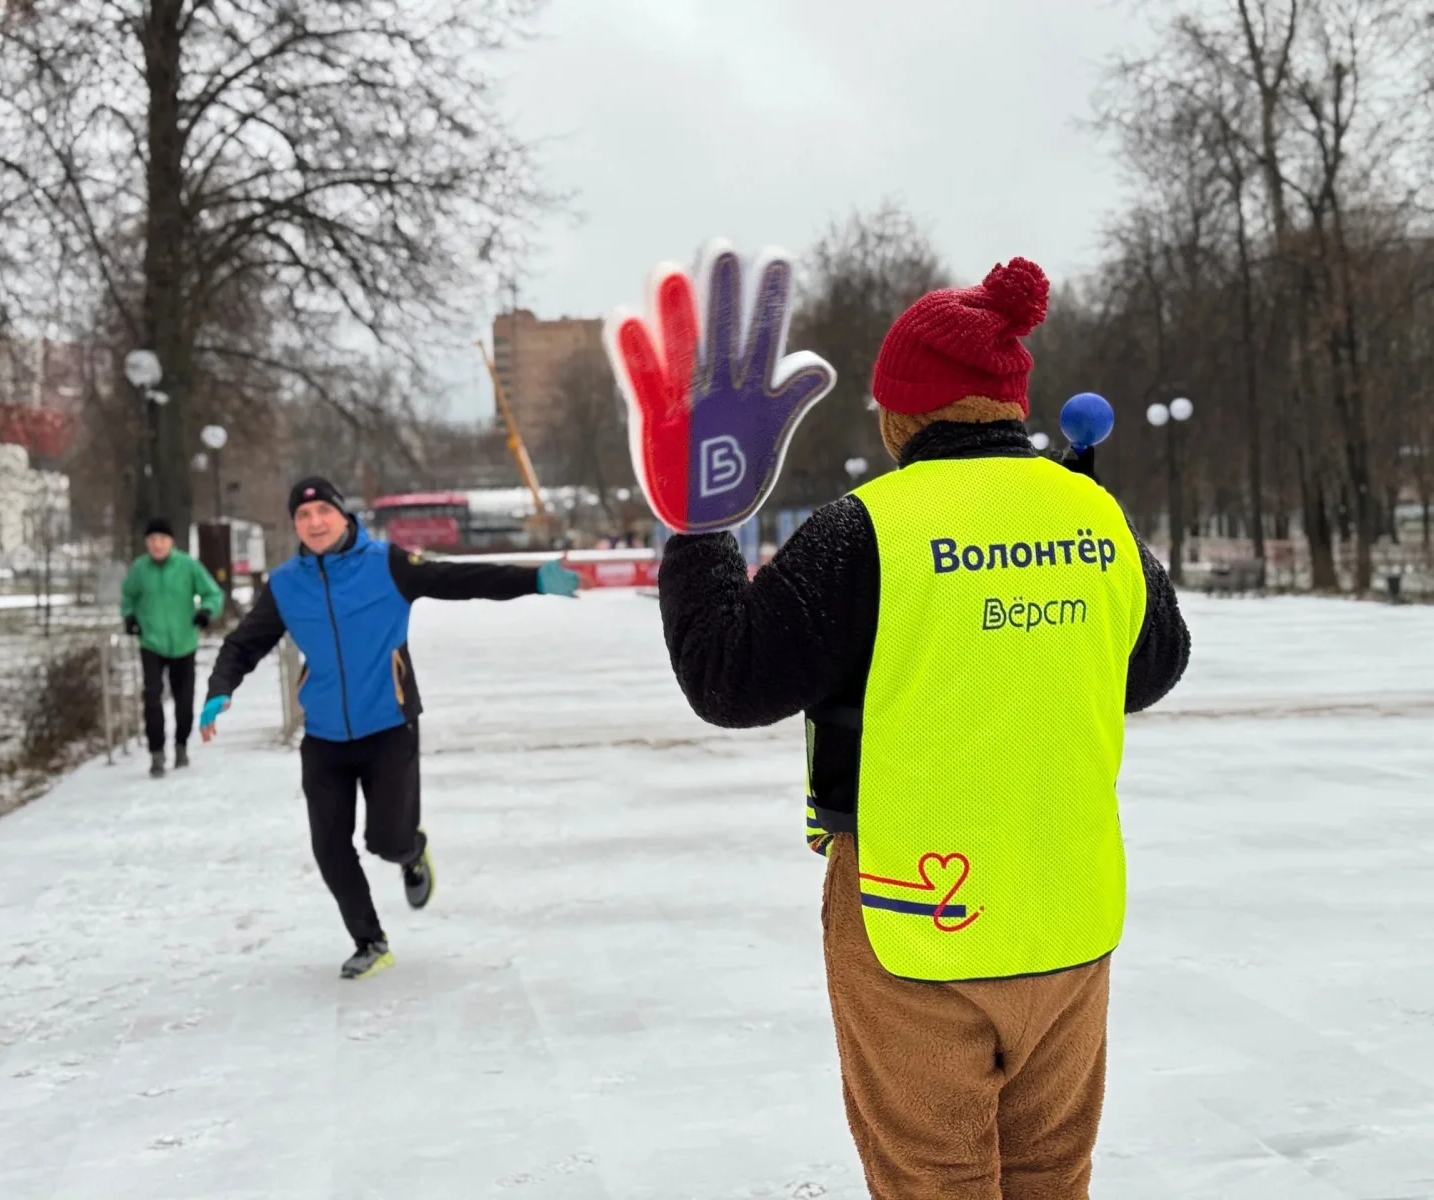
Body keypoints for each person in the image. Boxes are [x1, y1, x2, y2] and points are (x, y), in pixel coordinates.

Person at [656, 259, 1191, 1198]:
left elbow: (730, 680)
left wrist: (702, 525)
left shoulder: (866, 531)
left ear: (900, 413)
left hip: (918, 918)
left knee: (934, 1180)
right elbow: (1152, 667)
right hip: (1067, 915)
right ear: (1013, 405)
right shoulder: (1096, 517)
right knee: (1052, 1175)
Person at [200, 476, 581, 980]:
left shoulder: (387, 564)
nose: (315, 523)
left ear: (343, 515)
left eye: (323, 512)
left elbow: (459, 580)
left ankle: (412, 852)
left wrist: (533, 580)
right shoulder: (287, 584)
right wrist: (220, 688)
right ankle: (370, 941)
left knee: (387, 839)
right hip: (324, 736)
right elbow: (244, 643)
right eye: (303, 516)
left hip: (388, 726)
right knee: (329, 847)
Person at [121, 517, 225, 778]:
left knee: (184, 699)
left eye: (162, 539)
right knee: (152, 696)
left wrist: (206, 611)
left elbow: (213, 593)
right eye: (152, 540)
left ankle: (181, 746)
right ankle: (156, 753)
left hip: (184, 641)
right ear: (146, 543)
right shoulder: (140, 569)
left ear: (172, 542)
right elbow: (128, 597)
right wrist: (130, 617)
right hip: (151, 642)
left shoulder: (188, 566)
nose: (157, 544)